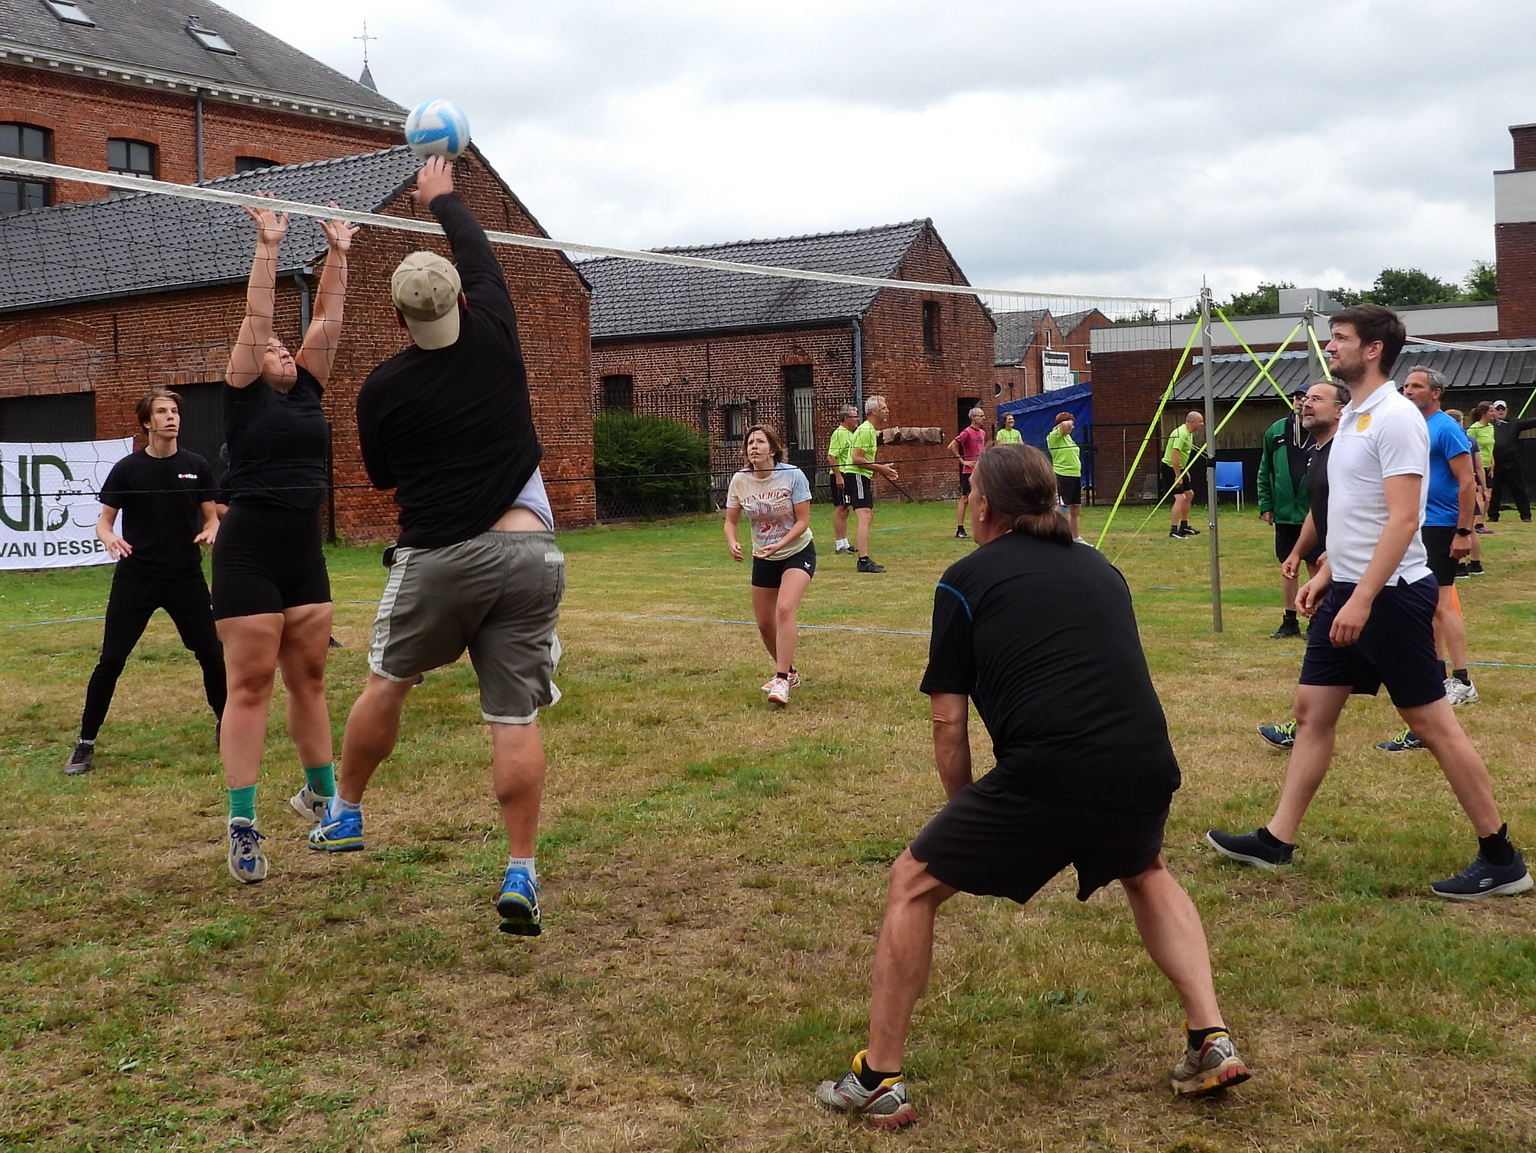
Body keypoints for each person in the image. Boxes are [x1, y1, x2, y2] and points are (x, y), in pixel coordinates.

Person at [817, 443, 1249, 1128]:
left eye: (971, 493)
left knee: (912, 883)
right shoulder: (1102, 568)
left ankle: (877, 1079)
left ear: (985, 506)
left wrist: (964, 811)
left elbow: (947, 721)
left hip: (1051, 767)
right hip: (1143, 760)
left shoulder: (964, 580)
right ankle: (1210, 1037)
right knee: (1145, 869)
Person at [306, 157, 565, 938]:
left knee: (388, 681)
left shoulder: (383, 389)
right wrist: (442, 196)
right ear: (462, 298)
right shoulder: (495, 330)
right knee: (513, 717)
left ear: (397, 319)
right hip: (530, 556)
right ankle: (521, 868)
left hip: (440, 559)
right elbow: (478, 251)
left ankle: (346, 813)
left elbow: (383, 475)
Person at [1207, 305, 1530, 900]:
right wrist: (1329, 574)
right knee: (1311, 711)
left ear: (1373, 348)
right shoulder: (1354, 413)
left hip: (1391, 598)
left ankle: (1501, 858)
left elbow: (1403, 519)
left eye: (1340, 339)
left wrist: (1361, 597)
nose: (1330, 347)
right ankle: (1276, 840)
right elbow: (1358, 515)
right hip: (1350, 590)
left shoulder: (1396, 417)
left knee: (1431, 724)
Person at [216, 194, 355, 884]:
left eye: (286, 348)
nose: (282, 351)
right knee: (250, 687)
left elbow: (328, 317)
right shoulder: (242, 392)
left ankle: (322, 797)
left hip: (303, 551)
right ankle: (241, 824)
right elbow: (258, 318)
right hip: (248, 550)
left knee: (310, 679)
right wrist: (268, 248)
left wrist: (339, 253)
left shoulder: (308, 391)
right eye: (273, 349)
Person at [64, 390, 224, 776]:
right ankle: (85, 743)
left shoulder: (197, 465)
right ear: (146, 423)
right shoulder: (128, 469)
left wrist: (213, 529)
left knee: (210, 653)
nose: (171, 417)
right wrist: (109, 537)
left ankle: (227, 724)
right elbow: (104, 522)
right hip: (136, 577)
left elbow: (212, 516)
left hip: (185, 576)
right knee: (111, 660)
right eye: (162, 412)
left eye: (175, 411)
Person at [1369, 369, 1480, 752]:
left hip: (1440, 524)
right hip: (1416, 523)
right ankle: (1437, 677)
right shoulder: (1411, 425)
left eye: (1416, 386)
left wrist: (1463, 530)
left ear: (1436, 392)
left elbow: (1467, 480)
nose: (1408, 390)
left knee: (1442, 603)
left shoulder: (1445, 428)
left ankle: (1462, 680)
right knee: (1428, 605)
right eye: (1406, 386)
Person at [1256, 380, 1347, 751]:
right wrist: (1297, 552)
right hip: (1343, 573)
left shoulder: (1349, 450)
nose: (1305, 404)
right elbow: (1318, 509)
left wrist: (1334, 555)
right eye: (1304, 398)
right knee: (1324, 658)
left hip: (1375, 582)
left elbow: (1372, 510)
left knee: (1419, 698)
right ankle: (1302, 726)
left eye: (1316, 399)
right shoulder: (1317, 451)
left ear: (1341, 410)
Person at [724, 424, 815, 706]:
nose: (754, 446)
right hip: (763, 557)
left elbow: (803, 521)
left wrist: (780, 543)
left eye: (760, 442)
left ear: (773, 449)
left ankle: (781, 679)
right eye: (750, 442)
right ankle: (791, 672)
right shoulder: (740, 480)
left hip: (797, 551)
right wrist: (732, 541)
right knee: (765, 625)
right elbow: (730, 521)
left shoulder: (792, 475)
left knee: (784, 608)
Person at [1256, 388, 1316, 638]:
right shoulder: (1277, 431)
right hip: (1285, 513)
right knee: (1288, 565)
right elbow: (1265, 469)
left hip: (1313, 513)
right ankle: (1289, 619)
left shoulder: (1322, 429)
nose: (1302, 403)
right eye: (1298, 398)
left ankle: (1316, 619)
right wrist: (1266, 504)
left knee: (1315, 564)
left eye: (1307, 398)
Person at [845, 394, 899, 573]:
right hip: (856, 475)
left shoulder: (869, 430)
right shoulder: (866, 430)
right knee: (864, 516)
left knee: (868, 516)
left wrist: (879, 470)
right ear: (873, 412)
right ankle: (863, 560)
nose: (887, 411)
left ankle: (864, 557)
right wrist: (881, 468)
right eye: (883, 408)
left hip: (861, 476)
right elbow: (856, 459)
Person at [1487, 399, 1536, 521]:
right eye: (1498, 409)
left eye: (1502, 409)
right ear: (1493, 411)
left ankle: (1526, 516)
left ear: (1507, 410)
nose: (1500, 411)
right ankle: (1493, 516)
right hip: (1494, 463)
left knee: (1518, 489)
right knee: (1495, 490)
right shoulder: (1488, 425)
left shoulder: (1515, 423)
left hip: (1512, 462)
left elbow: (1531, 422)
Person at [1161, 411, 1204, 538]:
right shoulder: (1181, 434)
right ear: (1192, 422)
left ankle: (1184, 527)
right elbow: (1175, 454)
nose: (1202, 424)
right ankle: (1173, 530)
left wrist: (1185, 471)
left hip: (1180, 468)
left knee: (1189, 494)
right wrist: (1177, 475)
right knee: (1180, 498)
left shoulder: (1189, 433)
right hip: (1170, 468)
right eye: (1200, 421)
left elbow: (1182, 456)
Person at [947, 406, 987, 538]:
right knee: (965, 499)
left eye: (983, 415)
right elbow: (952, 446)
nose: (983, 418)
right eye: (981, 415)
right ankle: (960, 529)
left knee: (983, 498)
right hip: (969, 471)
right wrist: (963, 461)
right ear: (973, 418)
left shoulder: (983, 433)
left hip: (980, 470)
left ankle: (982, 525)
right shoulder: (967, 432)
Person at [1046, 410, 1085, 542]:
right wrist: (1064, 422)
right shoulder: (1053, 437)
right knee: (1062, 507)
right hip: (1063, 475)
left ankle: (1076, 537)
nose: (1073, 427)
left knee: (1076, 507)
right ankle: (1054, 533)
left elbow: (1067, 426)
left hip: (1075, 475)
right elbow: (1065, 425)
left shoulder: (1068, 438)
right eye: (1072, 424)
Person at [825, 404, 859, 555]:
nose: (857, 419)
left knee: (846, 508)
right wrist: (838, 475)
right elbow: (831, 456)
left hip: (847, 473)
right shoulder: (839, 433)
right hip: (840, 474)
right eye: (854, 417)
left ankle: (845, 542)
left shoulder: (849, 434)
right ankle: (839, 544)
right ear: (845, 418)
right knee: (840, 508)